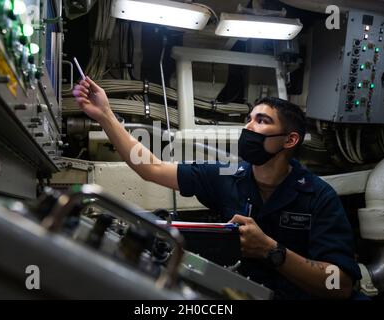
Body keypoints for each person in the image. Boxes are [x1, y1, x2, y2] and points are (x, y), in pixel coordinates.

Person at [73, 77, 361, 299]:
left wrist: (271, 250)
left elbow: (341, 284)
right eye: (249, 118)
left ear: (289, 140)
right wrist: (106, 115)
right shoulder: (227, 175)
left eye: (262, 121)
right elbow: (151, 167)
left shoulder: (319, 197)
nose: (248, 127)